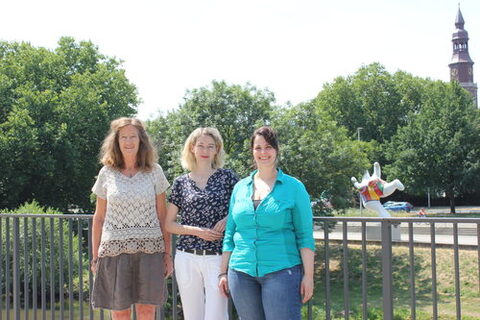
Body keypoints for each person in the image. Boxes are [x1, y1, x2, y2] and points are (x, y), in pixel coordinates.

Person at [218, 126, 315, 320]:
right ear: (252, 151)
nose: (263, 152)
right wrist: (223, 272)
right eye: (258, 147)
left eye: (268, 147)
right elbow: (230, 233)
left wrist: (309, 276)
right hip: (240, 272)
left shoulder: (294, 187)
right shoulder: (239, 188)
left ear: (277, 150)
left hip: (281, 271)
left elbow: (305, 235)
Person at [90, 117, 173, 320]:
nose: (128, 142)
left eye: (133, 137)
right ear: (116, 141)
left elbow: (163, 216)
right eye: (123, 137)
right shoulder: (106, 173)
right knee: (119, 312)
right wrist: (95, 257)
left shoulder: (155, 171)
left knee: (146, 311)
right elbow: (99, 218)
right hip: (114, 251)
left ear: (141, 140)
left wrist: (167, 254)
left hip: (150, 251)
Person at [165, 127, 238, 320]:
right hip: (186, 257)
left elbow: (243, 209)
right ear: (192, 148)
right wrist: (197, 231)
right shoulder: (181, 182)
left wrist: (228, 218)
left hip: (218, 257)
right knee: (192, 315)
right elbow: (169, 224)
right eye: (201, 146)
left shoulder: (228, 177)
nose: (205, 150)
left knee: (217, 315)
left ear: (217, 150)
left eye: (210, 146)